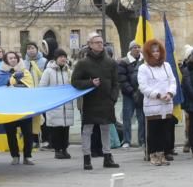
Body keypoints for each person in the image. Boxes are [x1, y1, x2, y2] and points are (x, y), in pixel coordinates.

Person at [70, 32, 120, 170]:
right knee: (87, 130)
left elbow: (116, 83)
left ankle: (108, 157)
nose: (100, 44)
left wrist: (113, 98)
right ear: (90, 45)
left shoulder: (110, 62)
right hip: (90, 101)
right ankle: (87, 158)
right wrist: (90, 83)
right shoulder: (83, 63)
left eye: (101, 42)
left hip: (107, 101)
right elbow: (75, 82)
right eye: (96, 42)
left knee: (106, 128)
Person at [138, 38, 179, 166]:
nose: (156, 53)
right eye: (153, 51)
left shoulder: (166, 66)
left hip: (166, 104)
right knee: (153, 131)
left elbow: (172, 81)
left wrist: (170, 93)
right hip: (153, 105)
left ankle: (162, 154)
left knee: (164, 131)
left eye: (158, 51)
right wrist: (157, 95)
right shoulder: (143, 68)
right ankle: (153, 154)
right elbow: (143, 86)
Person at [0, 51, 38, 165]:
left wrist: (17, 84)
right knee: (10, 133)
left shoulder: (25, 72)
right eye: (10, 58)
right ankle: (15, 156)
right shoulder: (1, 73)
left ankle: (28, 156)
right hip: (9, 108)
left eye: (15, 58)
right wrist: (9, 82)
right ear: (6, 60)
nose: (13, 60)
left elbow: (30, 87)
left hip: (24, 107)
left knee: (28, 133)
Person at [37, 48, 75, 158]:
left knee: (65, 128)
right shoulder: (48, 71)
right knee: (56, 128)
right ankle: (57, 150)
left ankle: (64, 148)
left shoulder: (69, 71)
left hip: (66, 105)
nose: (63, 59)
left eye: (64, 57)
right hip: (54, 105)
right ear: (56, 59)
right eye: (61, 57)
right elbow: (42, 87)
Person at [117, 40, 142, 150]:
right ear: (130, 49)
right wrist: (132, 91)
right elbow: (122, 80)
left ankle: (142, 140)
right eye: (134, 47)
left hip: (141, 94)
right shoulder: (124, 62)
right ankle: (126, 140)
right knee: (127, 118)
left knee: (142, 118)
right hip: (128, 95)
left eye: (138, 47)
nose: (137, 49)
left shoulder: (144, 61)